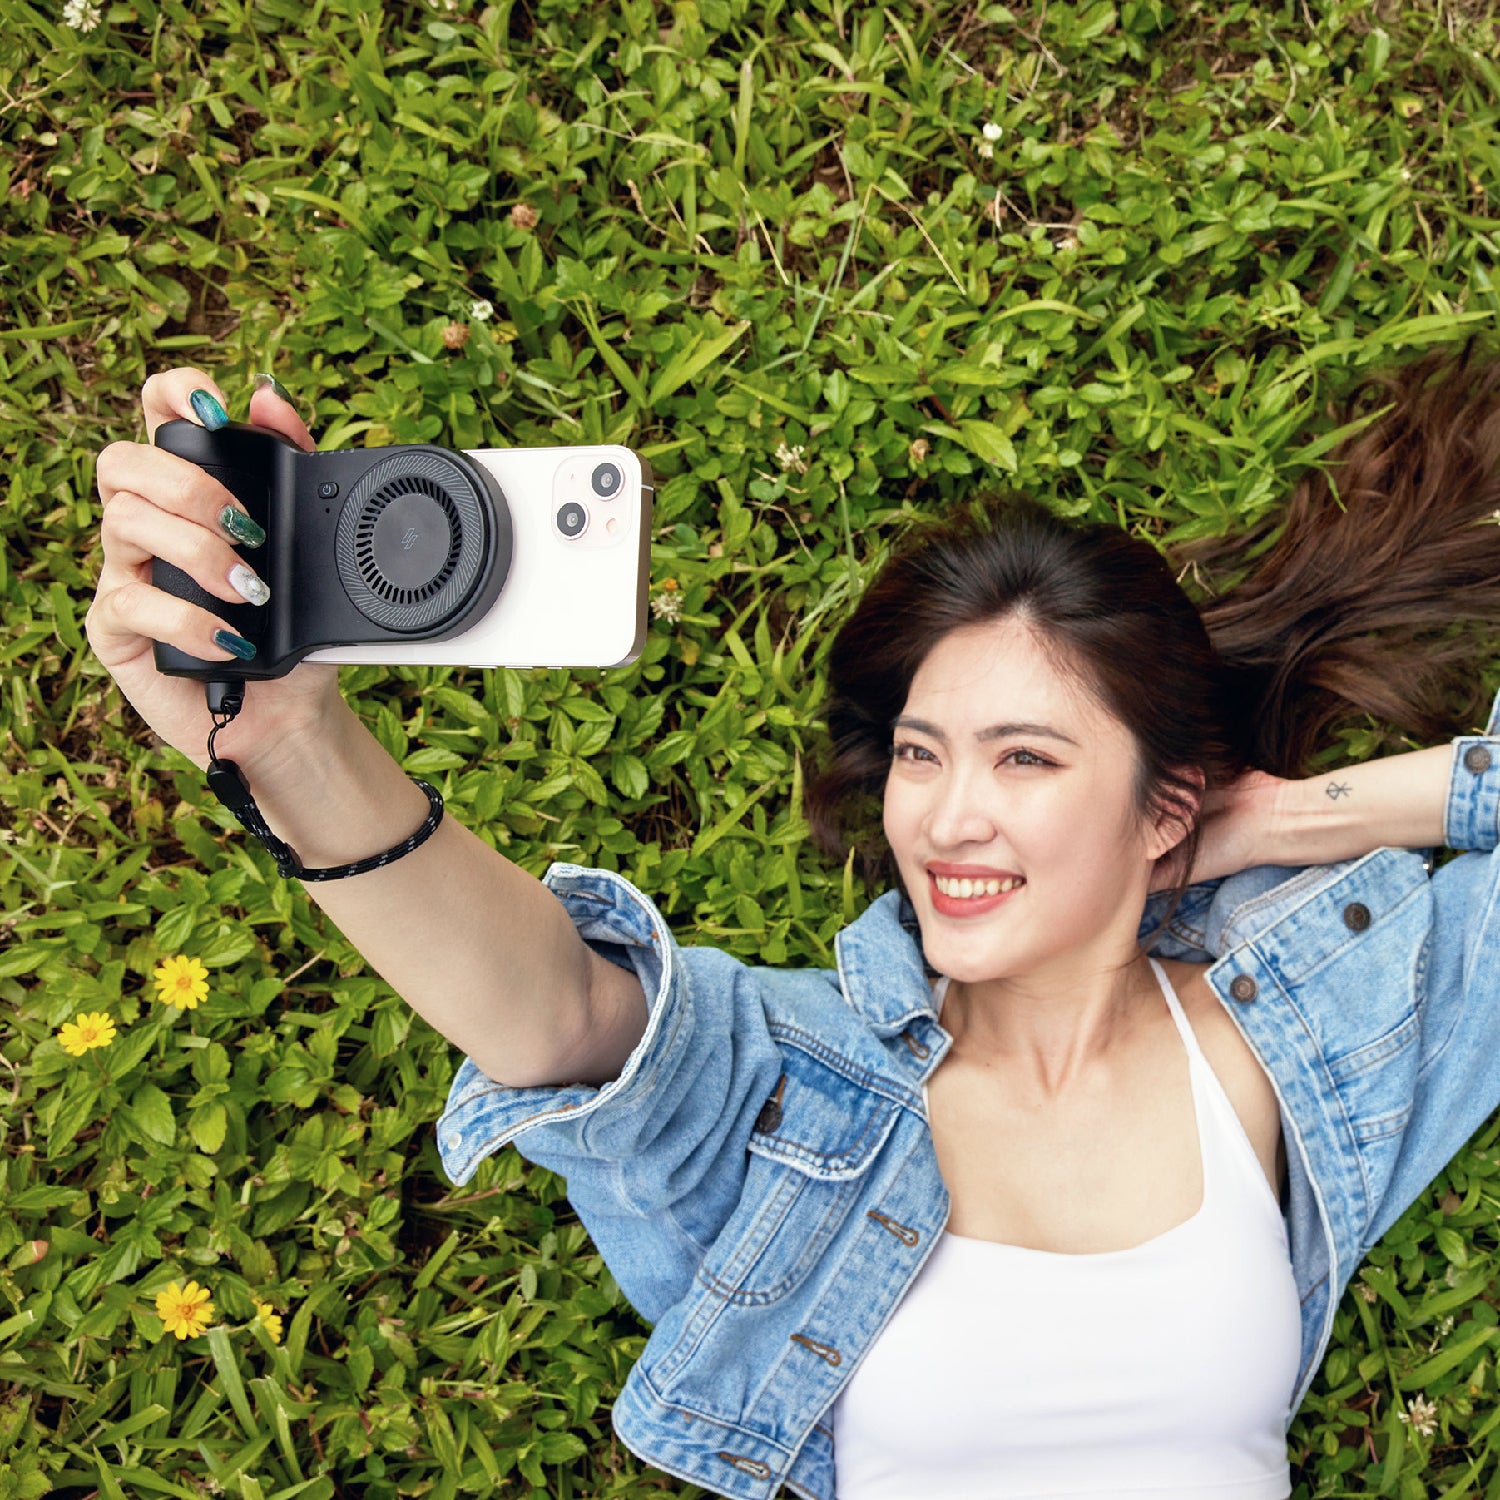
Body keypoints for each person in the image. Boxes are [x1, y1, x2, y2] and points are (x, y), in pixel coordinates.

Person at [87, 349, 1500, 1500]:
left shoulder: (1310, 1031)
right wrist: (291, 750)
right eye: (920, 753)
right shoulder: (808, 1078)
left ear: (1160, 806)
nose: (946, 818)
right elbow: (564, 1019)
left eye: (1026, 759)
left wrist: (1307, 819)